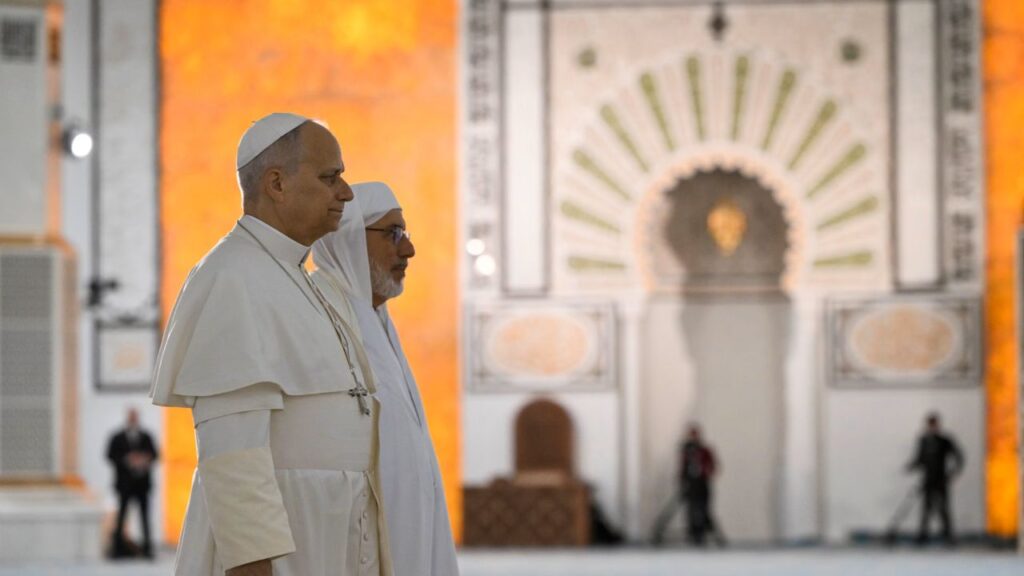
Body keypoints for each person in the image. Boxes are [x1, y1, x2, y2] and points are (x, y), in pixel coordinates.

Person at [150, 113, 392, 576]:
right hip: (282, 540)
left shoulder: (299, 276)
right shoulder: (232, 277)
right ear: (277, 183)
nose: (346, 193)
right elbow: (233, 453)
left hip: (329, 525)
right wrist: (253, 563)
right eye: (330, 177)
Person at [312, 182, 459, 576]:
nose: (408, 250)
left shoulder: (376, 320)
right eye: (393, 233)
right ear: (347, 239)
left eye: (405, 233)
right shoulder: (317, 317)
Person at [106, 407, 158, 558]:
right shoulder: (117, 437)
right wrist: (127, 459)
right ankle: (118, 549)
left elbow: (155, 454)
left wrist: (143, 459)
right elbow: (110, 455)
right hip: (124, 484)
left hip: (142, 485)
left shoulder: (146, 436)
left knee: (145, 516)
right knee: (122, 515)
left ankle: (147, 548)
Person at [906, 412, 964, 545]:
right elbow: (920, 458)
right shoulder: (923, 440)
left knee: (943, 508)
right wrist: (912, 466)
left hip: (941, 478)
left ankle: (948, 535)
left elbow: (958, 456)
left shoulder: (944, 441)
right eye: (930, 425)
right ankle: (923, 535)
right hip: (928, 479)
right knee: (926, 508)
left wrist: (953, 473)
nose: (932, 427)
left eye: (934, 424)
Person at [679, 425, 724, 547]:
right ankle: (695, 535)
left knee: (704, 510)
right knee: (692, 511)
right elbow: (683, 468)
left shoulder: (704, 450)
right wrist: (683, 482)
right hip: (691, 485)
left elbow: (713, 465)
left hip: (702, 484)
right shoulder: (687, 451)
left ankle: (707, 534)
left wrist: (707, 472)